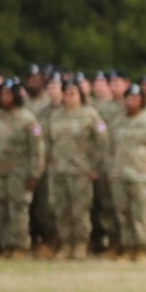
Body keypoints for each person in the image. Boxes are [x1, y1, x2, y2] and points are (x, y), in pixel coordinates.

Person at [0, 82, 46, 258]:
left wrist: (34, 173)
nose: (5, 98)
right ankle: (6, 244)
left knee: (18, 209)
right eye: (2, 94)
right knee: (0, 208)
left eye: (9, 94)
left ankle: (20, 245)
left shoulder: (27, 119)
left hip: (20, 173)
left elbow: (37, 149)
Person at [107, 84, 146, 260]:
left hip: (142, 175)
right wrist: (111, 170)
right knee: (123, 214)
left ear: (142, 101)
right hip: (120, 174)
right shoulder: (118, 121)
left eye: (135, 99)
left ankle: (141, 248)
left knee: (140, 215)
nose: (131, 102)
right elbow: (110, 148)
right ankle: (128, 247)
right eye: (128, 98)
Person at [46, 80, 108, 261]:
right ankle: (66, 243)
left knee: (79, 210)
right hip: (59, 169)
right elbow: (49, 142)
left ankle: (81, 243)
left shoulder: (90, 115)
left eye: (73, 93)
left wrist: (94, 166)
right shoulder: (56, 116)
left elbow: (102, 142)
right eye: (66, 93)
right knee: (62, 209)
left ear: (80, 95)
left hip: (81, 170)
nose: (69, 97)